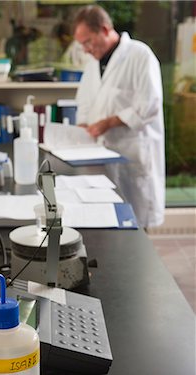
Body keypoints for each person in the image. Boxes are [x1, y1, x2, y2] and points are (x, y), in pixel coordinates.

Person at [74, 5, 165, 228]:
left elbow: (149, 105)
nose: (85, 50)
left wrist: (108, 122)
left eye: (87, 42)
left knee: (137, 230)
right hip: (101, 159)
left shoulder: (139, 55)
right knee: (110, 228)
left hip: (132, 156)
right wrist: (82, 128)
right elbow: (84, 104)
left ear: (104, 30)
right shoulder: (93, 65)